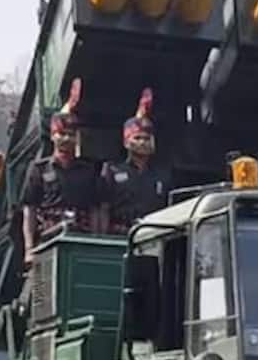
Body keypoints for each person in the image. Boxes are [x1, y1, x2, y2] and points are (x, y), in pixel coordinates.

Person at [20, 81, 103, 263]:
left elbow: (97, 209)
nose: (66, 138)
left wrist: (98, 243)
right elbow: (30, 211)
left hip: (81, 239)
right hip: (48, 240)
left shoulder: (89, 170)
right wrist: (29, 249)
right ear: (52, 135)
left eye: (71, 134)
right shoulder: (38, 169)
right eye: (62, 134)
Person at [99, 88, 171, 232]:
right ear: (126, 142)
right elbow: (103, 209)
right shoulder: (112, 170)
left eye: (146, 138)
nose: (143, 142)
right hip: (120, 235)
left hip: (152, 236)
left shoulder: (163, 174)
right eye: (137, 138)